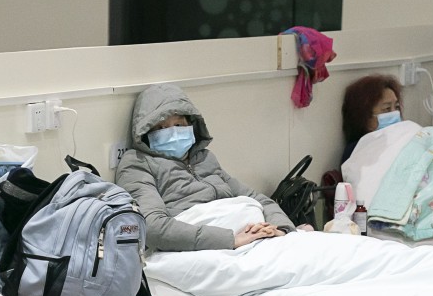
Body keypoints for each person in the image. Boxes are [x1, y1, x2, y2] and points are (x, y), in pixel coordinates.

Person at [114, 83, 299, 251]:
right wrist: (231, 239)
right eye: (161, 128)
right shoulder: (137, 163)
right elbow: (152, 226)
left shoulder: (205, 158)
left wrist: (280, 229)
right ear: (146, 133)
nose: (173, 132)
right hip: (212, 244)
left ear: (191, 125)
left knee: (311, 253)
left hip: (252, 233)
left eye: (178, 124)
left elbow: (257, 199)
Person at [340, 74, 404, 164]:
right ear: (366, 118)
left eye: (396, 107)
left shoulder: (403, 140)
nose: (395, 114)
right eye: (386, 109)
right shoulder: (357, 152)